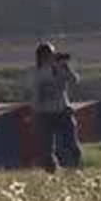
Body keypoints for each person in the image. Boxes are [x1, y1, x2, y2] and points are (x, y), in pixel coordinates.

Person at [31, 42, 81, 173]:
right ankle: (52, 173)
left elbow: (75, 80)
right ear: (42, 57)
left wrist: (66, 68)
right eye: (49, 55)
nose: (52, 58)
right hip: (44, 113)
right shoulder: (38, 73)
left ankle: (73, 171)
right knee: (46, 150)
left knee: (71, 145)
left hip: (62, 110)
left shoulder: (61, 68)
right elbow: (38, 94)